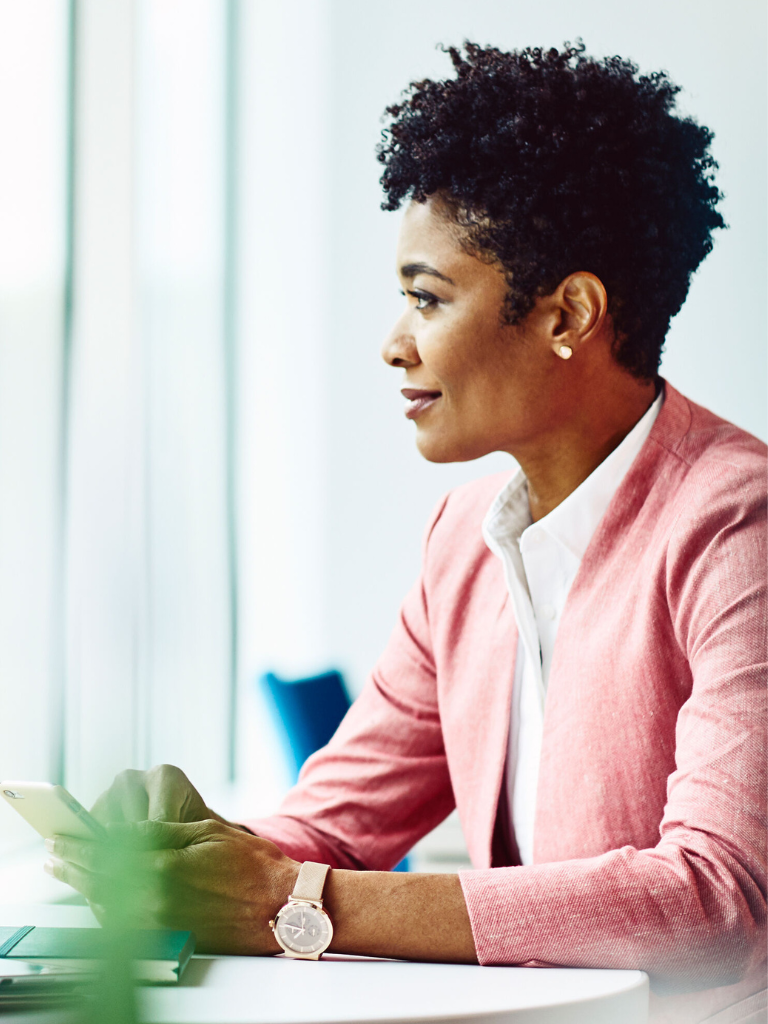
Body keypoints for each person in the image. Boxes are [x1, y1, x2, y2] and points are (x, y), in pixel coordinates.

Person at [45, 43, 768, 1024]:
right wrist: (197, 848)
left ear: (569, 314)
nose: (394, 341)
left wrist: (294, 902)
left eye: (427, 298)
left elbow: (715, 897)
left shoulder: (737, 527)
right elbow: (335, 822)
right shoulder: (466, 534)